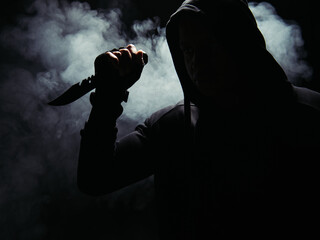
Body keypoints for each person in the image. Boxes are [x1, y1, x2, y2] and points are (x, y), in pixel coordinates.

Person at [77, 0, 320, 238]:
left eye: (209, 46)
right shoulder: (171, 127)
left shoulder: (308, 115)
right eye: (188, 50)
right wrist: (107, 99)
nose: (197, 62)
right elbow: (95, 179)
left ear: (241, 44)